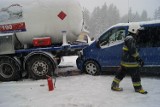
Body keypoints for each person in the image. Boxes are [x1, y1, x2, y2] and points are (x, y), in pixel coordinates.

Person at [111, 23, 148, 94]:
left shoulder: (128, 38)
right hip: (131, 63)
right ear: (133, 30)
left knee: (120, 74)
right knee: (136, 75)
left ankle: (114, 85)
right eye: (138, 30)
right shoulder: (130, 39)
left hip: (125, 62)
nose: (138, 32)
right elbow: (133, 51)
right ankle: (138, 88)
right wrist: (138, 59)